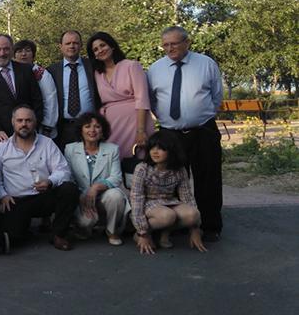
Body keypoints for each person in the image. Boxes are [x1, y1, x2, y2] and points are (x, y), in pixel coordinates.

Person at [147, 25, 224, 241]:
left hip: (203, 131)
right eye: (165, 45)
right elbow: (152, 101)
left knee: (208, 179)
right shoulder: (155, 69)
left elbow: (216, 96)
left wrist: (198, 115)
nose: (169, 48)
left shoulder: (206, 64)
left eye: (174, 43)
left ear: (187, 43)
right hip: (171, 134)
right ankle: (177, 223)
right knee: (171, 180)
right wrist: (169, 119)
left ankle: (211, 226)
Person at [0, 105, 79, 251]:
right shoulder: (2, 147)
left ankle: (58, 234)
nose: (24, 124)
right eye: (20, 120)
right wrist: (2, 195)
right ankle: (23, 229)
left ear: (35, 122)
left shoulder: (47, 143)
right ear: (13, 122)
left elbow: (63, 170)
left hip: (43, 197)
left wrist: (50, 181)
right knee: (14, 237)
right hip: (15, 200)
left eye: (28, 120)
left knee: (69, 189)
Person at [130, 131, 206, 255]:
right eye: (152, 148)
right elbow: (136, 198)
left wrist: (194, 228)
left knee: (193, 214)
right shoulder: (142, 169)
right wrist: (142, 231)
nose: (155, 152)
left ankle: (165, 233)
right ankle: (142, 234)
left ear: (171, 151)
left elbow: (187, 197)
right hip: (148, 203)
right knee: (167, 216)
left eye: (161, 149)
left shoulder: (179, 169)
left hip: (169, 201)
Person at [63, 112, 130, 246]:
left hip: (104, 194)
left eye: (97, 127)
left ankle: (112, 231)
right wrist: (81, 194)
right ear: (81, 130)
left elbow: (116, 177)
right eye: (87, 126)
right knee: (86, 222)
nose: (92, 130)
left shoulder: (112, 149)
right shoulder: (70, 149)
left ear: (103, 130)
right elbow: (67, 176)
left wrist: (96, 187)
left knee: (116, 196)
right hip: (81, 195)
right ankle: (84, 229)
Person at [86, 31, 154, 158]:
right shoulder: (97, 74)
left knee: (136, 163)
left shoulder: (131, 66)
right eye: (95, 49)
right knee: (113, 162)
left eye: (103, 45)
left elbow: (142, 98)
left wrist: (141, 130)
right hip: (111, 125)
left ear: (112, 46)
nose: (100, 50)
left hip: (135, 124)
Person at [0, 34, 44, 145]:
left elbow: (37, 100)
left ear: (11, 51)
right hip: (1, 137)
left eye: (6, 49)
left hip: (29, 133)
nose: (2, 53)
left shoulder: (26, 70)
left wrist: (34, 126)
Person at [47, 30, 102, 149]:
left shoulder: (93, 66)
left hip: (90, 126)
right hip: (64, 128)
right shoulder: (52, 71)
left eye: (75, 43)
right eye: (68, 43)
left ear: (81, 45)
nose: (72, 46)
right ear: (60, 46)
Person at [13, 40, 58, 138]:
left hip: (40, 128)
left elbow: (50, 100)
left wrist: (47, 127)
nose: (23, 54)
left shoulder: (41, 73)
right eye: (19, 51)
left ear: (33, 54)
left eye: (27, 51)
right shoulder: (11, 73)